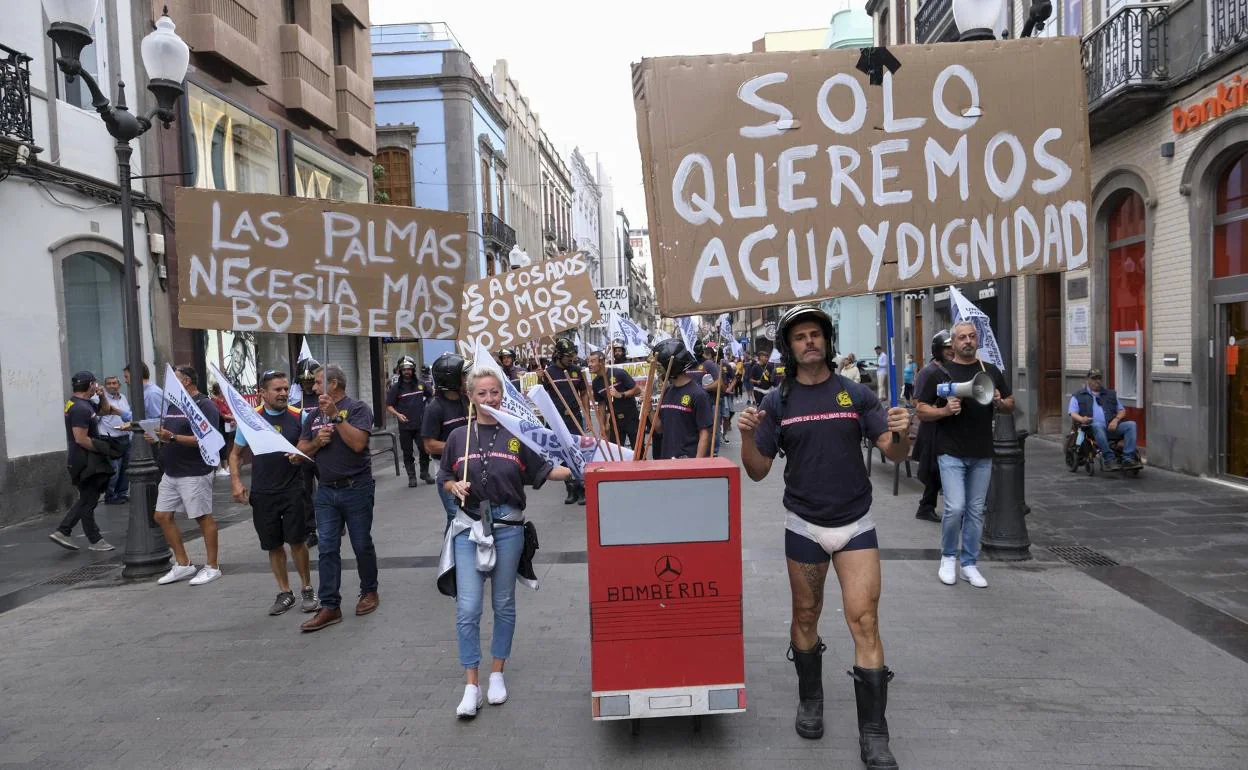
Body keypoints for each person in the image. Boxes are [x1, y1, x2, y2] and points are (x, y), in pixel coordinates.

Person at [738, 305, 909, 769]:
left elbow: (893, 454)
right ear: (789, 348)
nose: (809, 341)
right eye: (799, 337)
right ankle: (810, 699)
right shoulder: (778, 402)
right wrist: (746, 438)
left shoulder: (855, 394)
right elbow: (756, 474)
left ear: (827, 341)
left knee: (866, 622)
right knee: (806, 616)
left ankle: (874, 734)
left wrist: (903, 433)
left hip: (855, 524)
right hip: (804, 526)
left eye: (815, 334)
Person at [438, 369, 574, 718]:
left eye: (494, 392)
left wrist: (580, 466)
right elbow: (445, 476)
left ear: (502, 395)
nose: (489, 399)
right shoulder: (457, 436)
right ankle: (472, 685)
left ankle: (497, 673)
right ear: (471, 397)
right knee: (468, 608)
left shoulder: (517, 434)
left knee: (504, 604)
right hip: (469, 529)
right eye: (482, 394)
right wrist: (454, 487)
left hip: (508, 527)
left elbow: (544, 470)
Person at [916, 321, 1014, 589]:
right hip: (950, 451)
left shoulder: (989, 371)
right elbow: (921, 410)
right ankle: (948, 557)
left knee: (975, 510)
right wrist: (944, 412)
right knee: (955, 507)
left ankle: (969, 564)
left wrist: (999, 402)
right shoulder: (941, 373)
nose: (968, 341)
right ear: (953, 342)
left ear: (977, 340)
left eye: (972, 337)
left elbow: (1010, 404)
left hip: (982, 451)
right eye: (962, 338)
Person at [228, 370, 318, 616]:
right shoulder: (251, 419)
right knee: (273, 545)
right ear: (263, 393)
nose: (283, 393)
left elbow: (313, 447)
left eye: (285, 389)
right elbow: (235, 454)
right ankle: (284, 592)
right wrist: (236, 482)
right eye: (277, 389)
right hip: (263, 492)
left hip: (293, 490)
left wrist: (302, 456)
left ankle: (307, 588)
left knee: (297, 542)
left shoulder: (300, 416)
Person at [296, 364, 378, 632]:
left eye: (319, 382)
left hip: (356, 488)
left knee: (361, 543)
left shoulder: (358, 409)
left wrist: (336, 417)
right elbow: (299, 452)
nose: (314, 387)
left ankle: (369, 591)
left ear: (333, 384)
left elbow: (358, 444)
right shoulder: (313, 417)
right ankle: (330, 605)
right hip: (327, 491)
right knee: (327, 548)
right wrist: (318, 442)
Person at [152, 366, 224, 586]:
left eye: (174, 378)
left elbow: (207, 439)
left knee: (202, 517)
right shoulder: (174, 404)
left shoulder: (205, 405)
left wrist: (172, 437)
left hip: (193, 471)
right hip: (171, 471)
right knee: (162, 516)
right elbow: (169, 434)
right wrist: (158, 437)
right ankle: (183, 563)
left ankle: (212, 566)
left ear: (186, 381)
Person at [49, 372, 121, 552]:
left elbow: (104, 411)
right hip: (85, 460)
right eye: (94, 384)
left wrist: (102, 395)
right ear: (90, 385)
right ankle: (71, 533)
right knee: (88, 500)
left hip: (85, 458)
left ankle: (86, 537)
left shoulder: (82, 403)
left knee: (89, 499)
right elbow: (80, 438)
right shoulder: (80, 408)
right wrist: (104, 449)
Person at [424, 353, 471, 526]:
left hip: (471, 467)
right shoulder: (434, 408)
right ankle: (449, 553)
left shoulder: (468, 400)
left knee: (471, 515)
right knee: (456, 518)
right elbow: (429, 445)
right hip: (448, 471)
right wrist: (462, 446)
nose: (467, 379)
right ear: (452, 379)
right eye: (464, 375)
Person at [913, 331, 955, 523]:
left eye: (951, 347)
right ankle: (926, 507)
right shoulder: (928, 372)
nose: (950, 351)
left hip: (946, 428)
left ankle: (928, 506)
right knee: (933, 470)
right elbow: (918, 402)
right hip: (931, 428)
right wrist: (938, 409)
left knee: (938, 470)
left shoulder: (951, 370)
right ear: (938, 349)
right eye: (947, 348)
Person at [544, 337, 587, 505]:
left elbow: (583, 392)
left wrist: (584, 411)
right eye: (568, 356)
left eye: (573, 355)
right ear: (559, 355)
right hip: (557, 419)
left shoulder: (576, 370)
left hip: (574, 417)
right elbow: (544, 396)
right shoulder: (548, 372)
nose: (571, 359)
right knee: (562, 454)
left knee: (577, 453)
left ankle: (582, 488)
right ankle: (570, 489)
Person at [652, 339, 712, 459]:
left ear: (672, 365)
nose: (657, 370)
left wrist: (697, 464)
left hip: (688, 461)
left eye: (659, 366)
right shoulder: (667, 391)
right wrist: (648, 409)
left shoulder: (698, 395)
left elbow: (704, 433)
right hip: (667, 460)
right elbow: (659, 429)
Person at [1069, 369, 1140, 470]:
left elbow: (1121, 410)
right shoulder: (1078, 395)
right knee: (1097, 425)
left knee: (1131, 424)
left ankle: (1128, 458)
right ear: (1088, 380)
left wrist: (1116, 420)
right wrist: (1082, 419)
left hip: (1111, 427)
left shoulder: (1110, 394)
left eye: (1099, 378)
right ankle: (1109, 459)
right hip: (1092, 430)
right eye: (1094, 379)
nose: (1097, 381)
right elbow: (1073, 413)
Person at [387, 355, 433, 487]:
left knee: (424, 449)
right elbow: (389, 405)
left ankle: (425, 473)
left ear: (413, 370)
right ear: (400, 371)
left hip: (420, 424)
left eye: (409, 369)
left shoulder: (420, 384)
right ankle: (411, 477)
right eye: (404, 369)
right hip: (405, 426)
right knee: (407, 452)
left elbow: (431, 395)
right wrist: (397, 414)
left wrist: (428, 410)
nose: (407, 371)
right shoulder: (396, 388)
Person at [295, 356, 322, 549]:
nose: (307, 385)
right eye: (303, 382)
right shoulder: (296, 403)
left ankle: (338, 522)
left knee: (329, 488)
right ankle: (311, 530)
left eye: (310, 381)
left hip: (323, 453)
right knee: (305, 493)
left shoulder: (325, 399)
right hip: (305, 454)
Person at [587, 350, 640, 447]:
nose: (589, 364)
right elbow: (601, 404)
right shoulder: (595, 383)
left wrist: (621, 394)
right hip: (615, 419)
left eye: (592, 361)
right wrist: (602, 425)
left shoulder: (618, 373)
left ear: (602, 362)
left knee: (638, 450)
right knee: (616, 451)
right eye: (588, 362)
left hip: (631, 416)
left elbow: (637, 389)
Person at [100, 375, 132, 505]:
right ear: (105, 386)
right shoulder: (101, 399)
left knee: (126, 469)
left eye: (114, 383)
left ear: (119, 385)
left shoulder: (123, 398)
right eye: (109, 383)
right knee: (114, 470)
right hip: (110, 439)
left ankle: (122, 493)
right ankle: (110, 495)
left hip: (125, 437)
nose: (112, 386)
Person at [210, 383, 235, 477]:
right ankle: (219, 468)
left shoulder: (223, 399)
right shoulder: (214, 400)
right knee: (220, 445)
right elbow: (221, 414)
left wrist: (232, 419)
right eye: (221, 388)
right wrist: (231, 418)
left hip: (227, 424)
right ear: (218, 389)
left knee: (226, 444)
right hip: (218, 424)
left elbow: (228, 410)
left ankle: (225, 466)